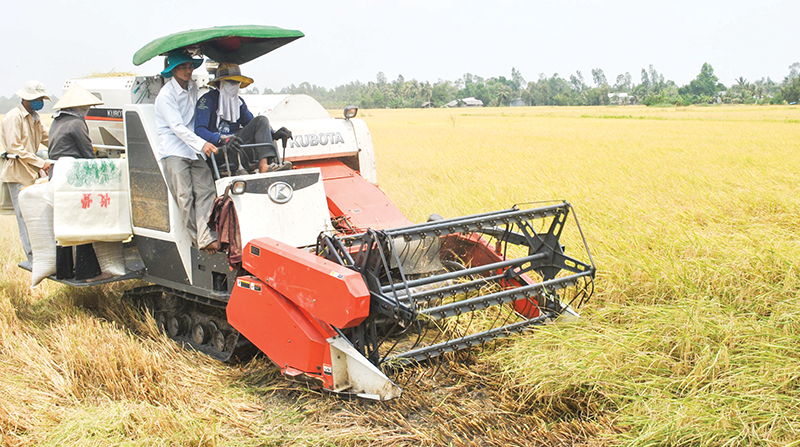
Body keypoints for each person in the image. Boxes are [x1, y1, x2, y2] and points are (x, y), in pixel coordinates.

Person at [154, 50, 220, 254]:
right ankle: (199, 239)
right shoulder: (166, 96)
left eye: (190, 66)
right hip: (174, 150)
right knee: (185, 197)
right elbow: (177, 127)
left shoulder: (192, 88)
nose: (188, 70)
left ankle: (205, 235)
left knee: (207, 189)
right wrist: (203, 144)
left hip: (192, 149)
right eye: (182, 67)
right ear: (173, 70)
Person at [48, 84, 106, 280]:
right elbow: (86, 151)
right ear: (78, 108)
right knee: (81, 222)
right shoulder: (77, 123)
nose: (87, 110)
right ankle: (86, 271)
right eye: (86, 106)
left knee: (64, 223)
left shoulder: (56, 121)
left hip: (56, 173)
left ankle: (63, 270)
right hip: (73, 175)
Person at [195, 62, 293, 174]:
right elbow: (199, 130)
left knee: (261, 120)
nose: (234, 85)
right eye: (231, 82)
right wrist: (221, 139)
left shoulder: (238, 103)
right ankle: (246, 167)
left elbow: (253, 124)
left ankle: (264, 166)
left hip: (236, 144)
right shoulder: (207, 100)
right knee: (233, 145)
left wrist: (274, 133)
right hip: (218, 149)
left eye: (237, 82)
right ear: (220, 83)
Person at [0, 80, 51, 263]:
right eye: (36, 98)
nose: (39, 101)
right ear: (26, 99)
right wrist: (40, 163)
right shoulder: (14, 117)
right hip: (18, 173)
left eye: (40, 98)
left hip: (31, 173)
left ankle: (43, 255)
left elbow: (47, 138)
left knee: (37, 216)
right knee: (24, 217)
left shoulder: (35, 117)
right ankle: (33, 259)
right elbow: (15, 148)